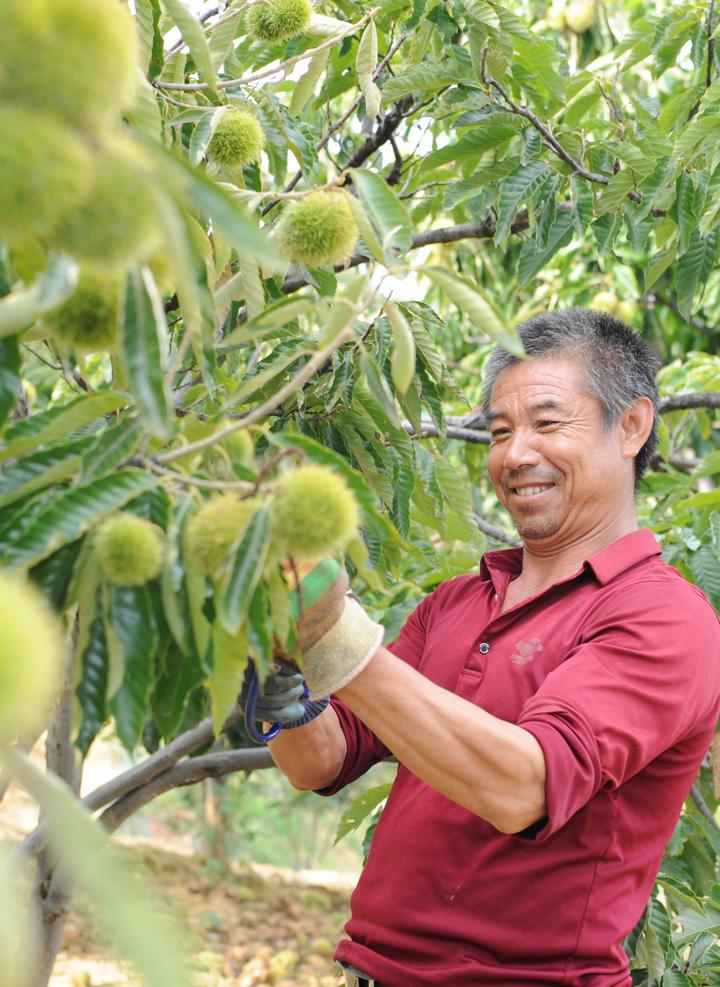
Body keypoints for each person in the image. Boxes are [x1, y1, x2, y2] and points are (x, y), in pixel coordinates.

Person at [251, 310, 720, 986]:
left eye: (547, 423)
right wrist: (278, 662)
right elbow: (321, 760)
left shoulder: (665, 616)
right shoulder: (458, 601)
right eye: (500, 432)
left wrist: (334, 634)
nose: (515, 454)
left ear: (632, 426)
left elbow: (521, 785)